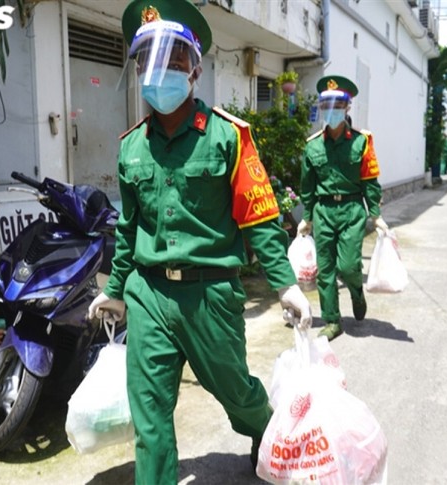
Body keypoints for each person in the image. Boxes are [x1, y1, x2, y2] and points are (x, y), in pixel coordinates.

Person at [86, 1, 313, 483]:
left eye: (171, 59)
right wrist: (116, 289)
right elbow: (128, 228)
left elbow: (259, 219)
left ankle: (267, 431)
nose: (158, 72)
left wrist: (285, 284)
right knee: (149, 416)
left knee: (236, 392)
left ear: (195, 69)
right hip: (148, 295)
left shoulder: (229, 138)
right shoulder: (131, 146)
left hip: (210, 295)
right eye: (147, 60)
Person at [296, 76, 389, 341]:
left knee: (348, 266)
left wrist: (375, 214)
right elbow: (307, 186)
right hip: (324, 212)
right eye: (327, 105)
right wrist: (308, 217)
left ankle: (357, 293)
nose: (332, 110)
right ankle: (332, 321)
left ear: (347, 108)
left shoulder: (361, 142)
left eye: (338, 104)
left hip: (351, 210)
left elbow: (370, 180)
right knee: (325, 270)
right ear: (322, 108)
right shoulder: (313, 145)